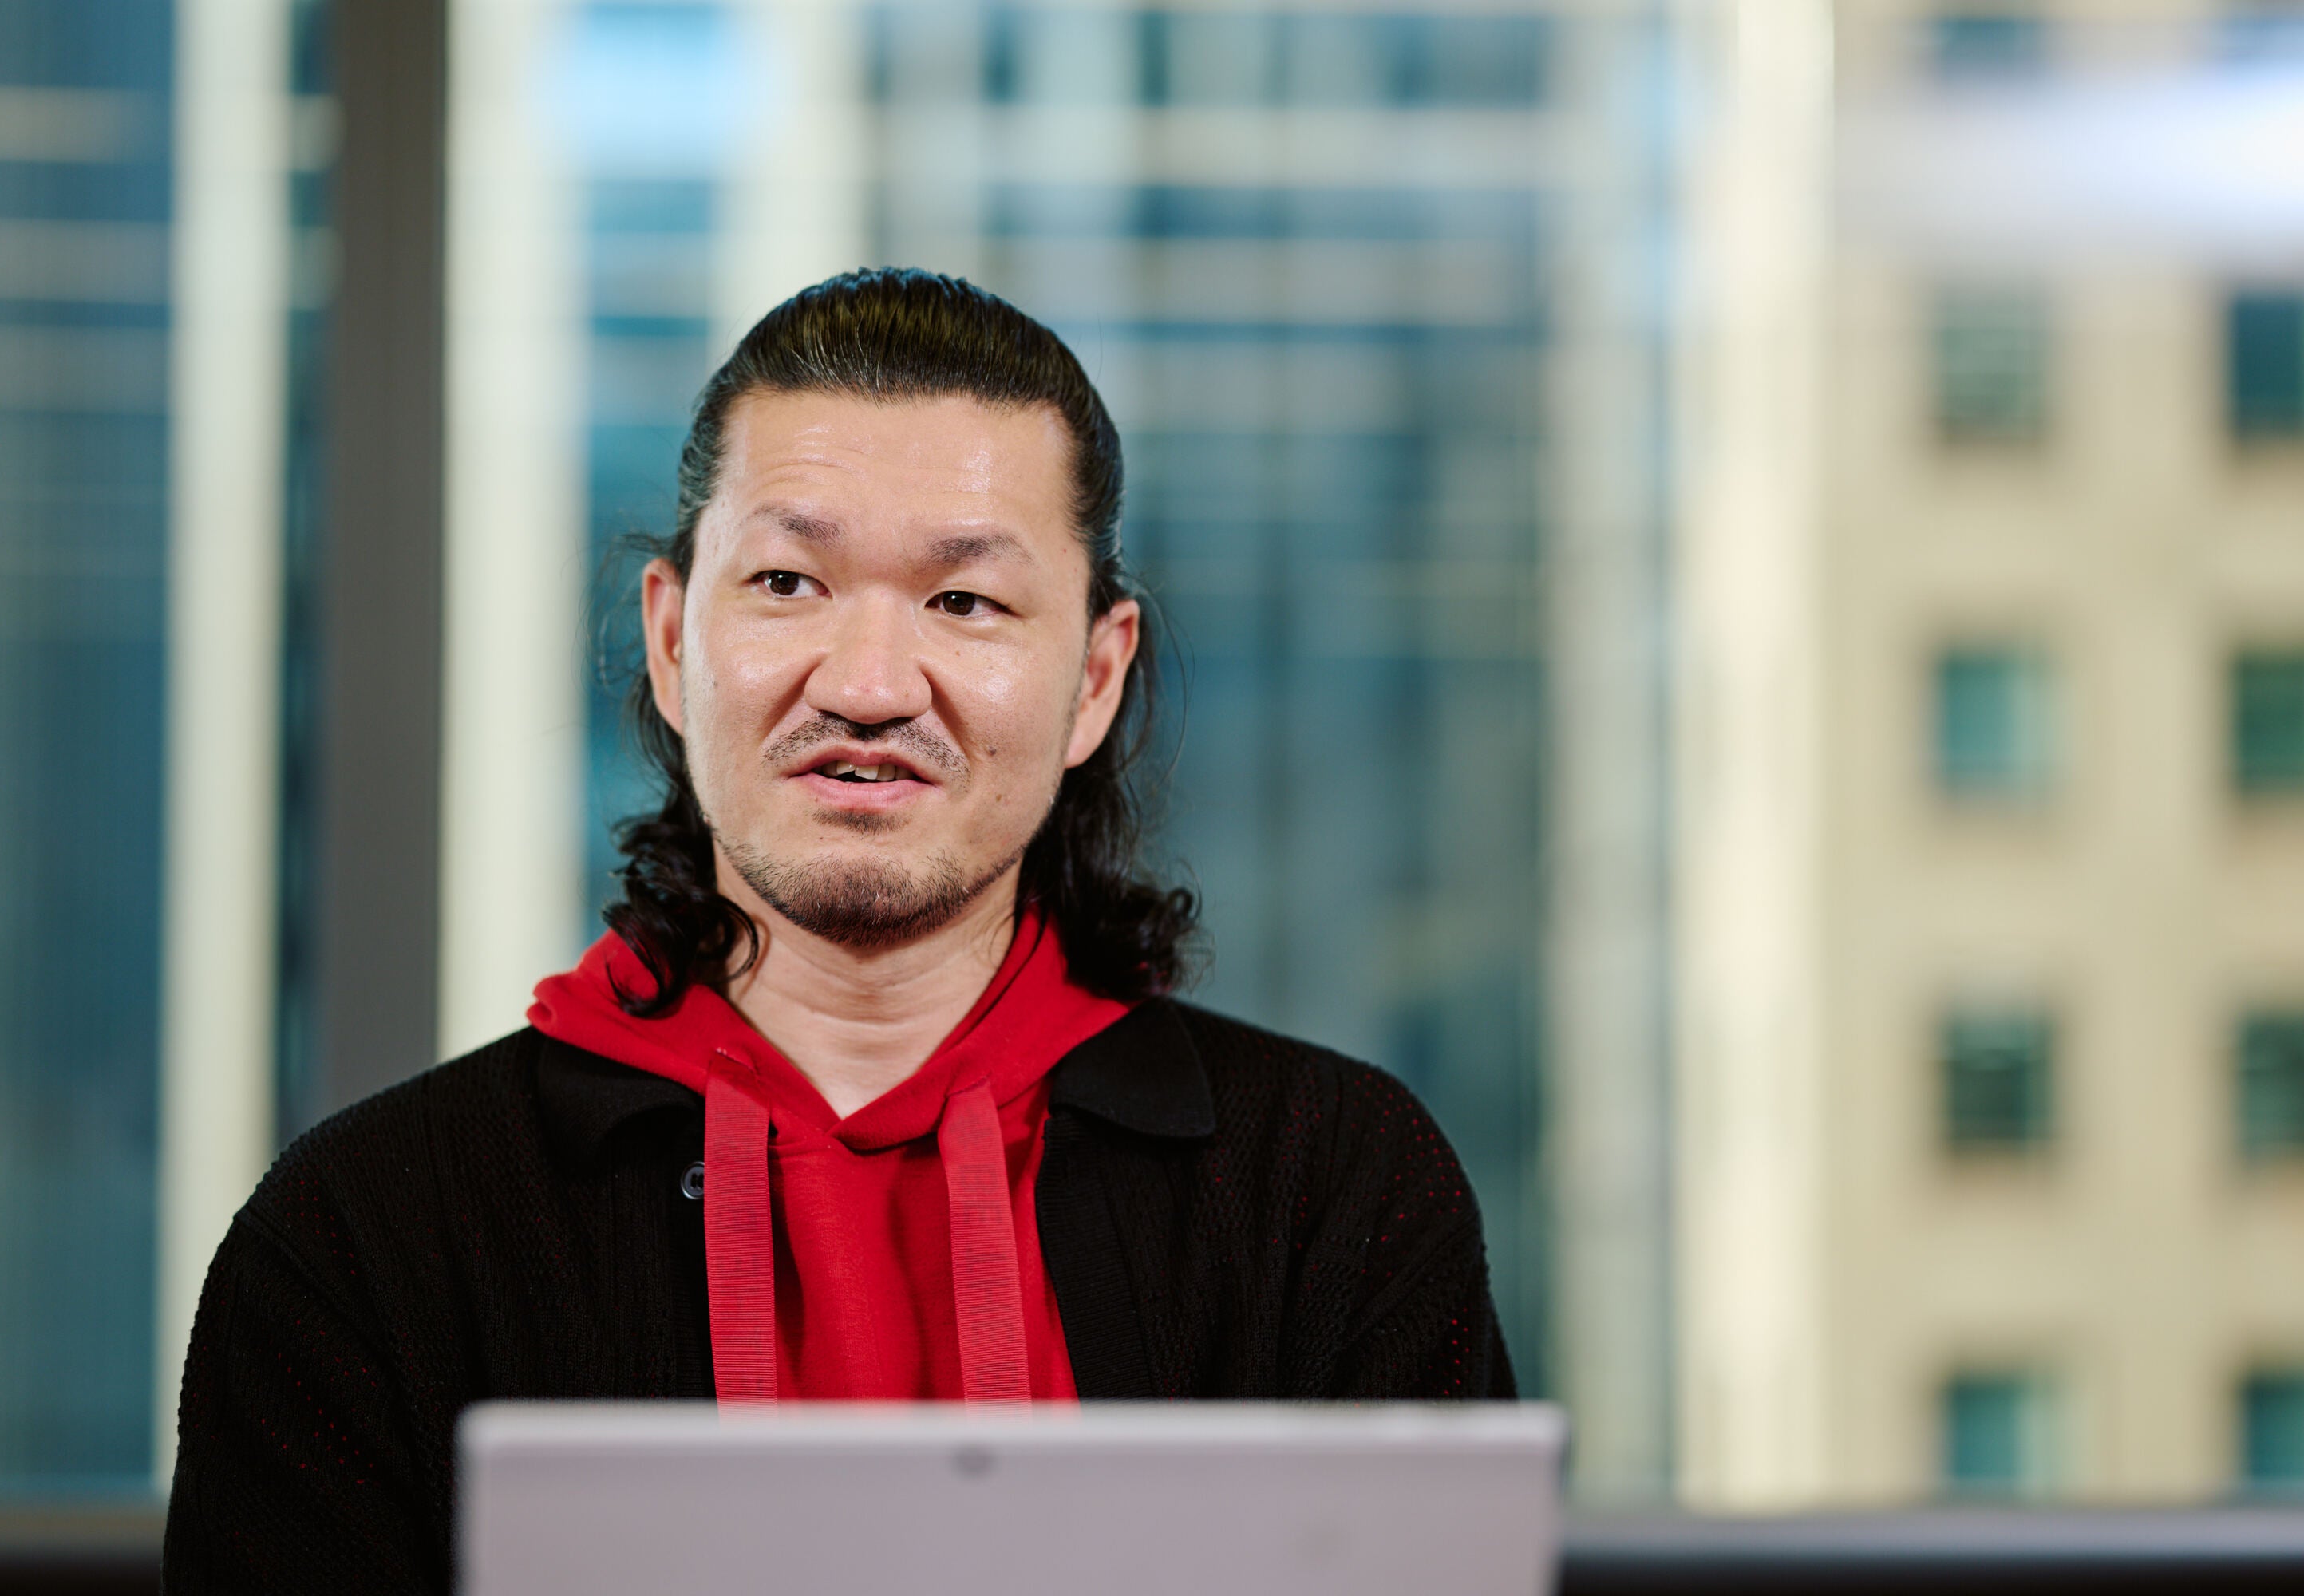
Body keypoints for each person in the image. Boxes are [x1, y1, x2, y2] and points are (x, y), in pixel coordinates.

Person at [163, 268, 1514, 1592]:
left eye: (964, 602)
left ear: (1095, 678)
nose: (868, 687)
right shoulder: (368, 1235)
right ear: (672, 641)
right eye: (788, 583)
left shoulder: (1331, 1193)